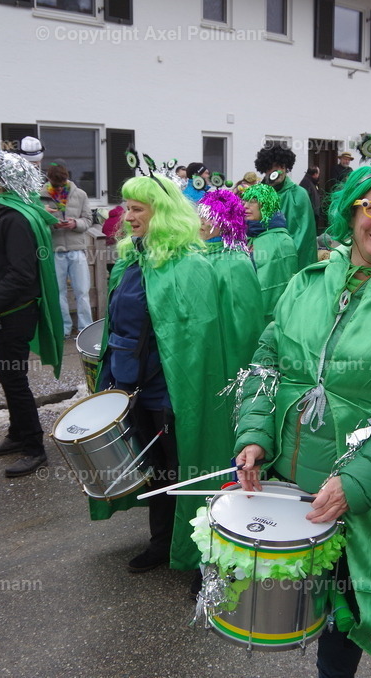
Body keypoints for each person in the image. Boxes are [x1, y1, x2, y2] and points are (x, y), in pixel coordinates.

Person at [234, 162, 371, 677]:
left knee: (347, 617)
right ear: (349, 212)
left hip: (361, 499)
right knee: (303, 604)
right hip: (293, 486)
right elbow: (267, 363)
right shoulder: (307, 282)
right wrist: (255, 435)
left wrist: (355, 482)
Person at [92, 172, 232, 574]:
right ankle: (161, 542)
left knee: (188, 472)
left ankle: (205, 557)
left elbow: (196, 343)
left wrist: (174, 393)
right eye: (127, 207)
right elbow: (118, 330)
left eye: (137, 208)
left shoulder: (189, 267)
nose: (128, 215)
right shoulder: (133, 262)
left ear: (162, 213)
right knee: (156, 474)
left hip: (171, 396)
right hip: (132, 391)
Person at [0, 144, 63, 478]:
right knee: (7, 374)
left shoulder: (17, 217)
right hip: (3, 308)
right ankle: (18, 434)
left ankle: (34, 447)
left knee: (14, 379)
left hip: (15, 313)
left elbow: (22, 273)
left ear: (2, 180)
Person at [197, 189, 265, 379]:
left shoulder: (236, 262)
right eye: (200, 215)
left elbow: (243, 326)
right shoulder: (198, 254)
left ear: (226, 222)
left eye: (208, 216)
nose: (201, 222)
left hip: (226, 352)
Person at [40, 160, 93, 338]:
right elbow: (37, 223)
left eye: (61, 184)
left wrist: (74, 223)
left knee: (82, 291)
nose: (59, 186)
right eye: (55, 184)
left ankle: (85, 328)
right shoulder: (39, 196)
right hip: (55, 249)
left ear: (67, 178)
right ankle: (64, 329)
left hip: (77, 249)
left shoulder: (80, 194)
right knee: (58, 292)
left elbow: (88, 220)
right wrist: (51, 222)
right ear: (48, 179)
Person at [254, 143, 316, 269]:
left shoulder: (299, 194)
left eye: (282, 167)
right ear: (265, 169)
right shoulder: (256, 194)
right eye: (273, 167)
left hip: (289, 261)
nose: (279, 171)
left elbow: (303, 237)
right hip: (263, 261)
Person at [241, 183, 297, 322]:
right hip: (249, 313)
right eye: (245, 200)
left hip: (274, 318)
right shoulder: (248, 236)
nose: (246, 206)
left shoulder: (282, 240)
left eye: (253, 201)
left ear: (267, 205)